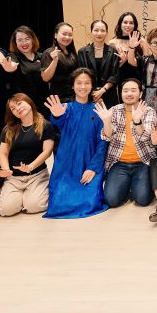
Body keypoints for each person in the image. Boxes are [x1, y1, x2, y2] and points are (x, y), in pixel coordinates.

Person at [44, 69, 109, 219]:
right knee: (58, 206)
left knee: (91, 203)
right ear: (73, 86)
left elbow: (102, 142)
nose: (83, 86)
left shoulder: (98, 110)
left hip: (89, 162)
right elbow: (59, 122)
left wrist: (93, 168)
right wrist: (57, 115)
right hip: (66, 164)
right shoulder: (65, 108)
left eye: (87, 83)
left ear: (92, 86)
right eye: (79, 83)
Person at [0, 94, 57, 217]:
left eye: (19, 103)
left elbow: (47, 151)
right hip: (13, 178)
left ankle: (29, 196)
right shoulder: (8, 129)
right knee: (5, 210)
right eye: (13, 108)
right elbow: (3, 153)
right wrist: (6, 169)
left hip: (36, 175)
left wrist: (30, 166)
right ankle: (15, 196)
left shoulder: (45, 125)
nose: (17, 108)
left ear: (29, 102)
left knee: (34, 206)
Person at [102, 79, 157, 208]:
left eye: (133, 90)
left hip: (143, 162)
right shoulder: (114, 110)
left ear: (140, 93)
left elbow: (145, 137)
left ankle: (134, 184)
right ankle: (127, 183)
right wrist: (106, 121)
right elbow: (107, 136)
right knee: (111, 200)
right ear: (120, 93)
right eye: (125, 91)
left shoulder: (148, 111)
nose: (129, 94)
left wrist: (137, 121)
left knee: (143, 199)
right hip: (119, 162)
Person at [77, 19, 120, 108]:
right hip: (89, 94)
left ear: (106, 33)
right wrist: (93, 92)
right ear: (91, 32)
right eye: (96, 30)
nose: (99, 33)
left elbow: (115, 74)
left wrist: (102, 90)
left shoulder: (113, 51)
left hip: (109, 94)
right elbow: (81, 74)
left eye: (102, 30)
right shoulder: (82, 52)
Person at [6, 25, 47, 108]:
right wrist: (10, 67)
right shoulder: (13, 57)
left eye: (27, 39)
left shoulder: (42, 56)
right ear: (15, 43)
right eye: (20, 40)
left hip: (44, 102)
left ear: (33, 40)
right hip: (24, 105)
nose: (24, 43)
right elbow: (12, 64)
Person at [41, 22, 79, 101]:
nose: (67, 37)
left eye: (70, 35)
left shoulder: (72, 52)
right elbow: (45, 78)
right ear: (55, 35)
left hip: (75, 95)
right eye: (64, 34)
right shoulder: (48, 52)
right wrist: (55, 61)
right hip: (59, 98)